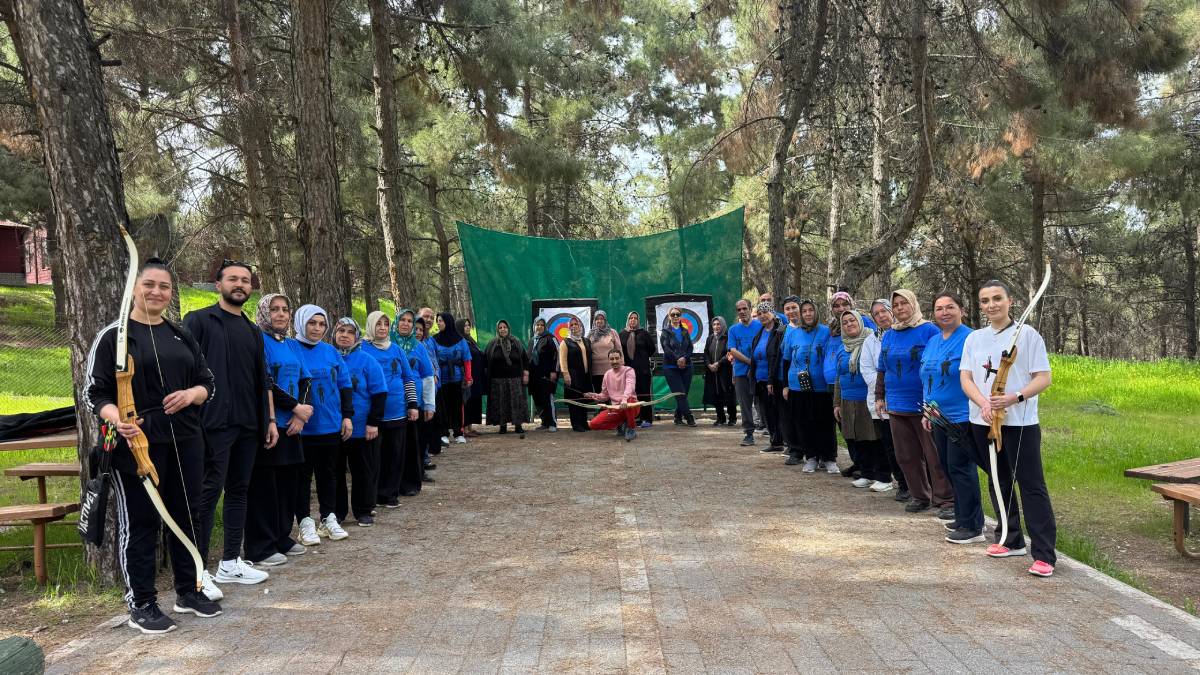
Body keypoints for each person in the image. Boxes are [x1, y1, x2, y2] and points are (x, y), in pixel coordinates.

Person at [86, 258, 221, 633]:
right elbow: (94, 393)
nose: (156, 292)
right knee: (142, 521)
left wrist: (192, 394)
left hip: (186, 439)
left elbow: (208, 383)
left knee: (187, 516)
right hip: (136, 444)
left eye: (164, 286)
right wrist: (117, 418)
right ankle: (141, 603)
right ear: (134, 288)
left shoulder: (180, 334)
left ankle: (188, 591)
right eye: (149, 284)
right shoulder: (114, 336)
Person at [182, 260, 270, 598]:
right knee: (207, 495)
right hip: (211, 424)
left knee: (239, 491)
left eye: (245, 280)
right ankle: (198, 570)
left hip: (248, 424)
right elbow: (185, 371)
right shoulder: (199, 321)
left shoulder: (252, 330)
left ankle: (231, 561)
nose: (240, 284)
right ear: (218, 284)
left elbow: (261, 380)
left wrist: (267, 421)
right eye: (233, 279)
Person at [960, 280, 1055, 576]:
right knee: (998, 481)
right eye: (985, 300)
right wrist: (984, 404)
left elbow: (1043, 378)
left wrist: (1015, 397)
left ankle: (1044, 554)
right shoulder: (974, 338)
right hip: (984, 420)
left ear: (1010, 301)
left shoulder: (1028, 335)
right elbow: (966, 378)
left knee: (1031, 485)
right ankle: (1010, 539)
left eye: (997, 298)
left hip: (1019, 423)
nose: (992, 305)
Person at [245, 293, 311, 569]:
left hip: (293, 425)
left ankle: (282, 536)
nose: (281, 314)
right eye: (274, 309)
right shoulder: (258, 341)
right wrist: (295, 407)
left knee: (287, 485)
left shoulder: (291, 344)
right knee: (265, 487)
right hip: (269, 423)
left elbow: (306, 379)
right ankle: (260, 546)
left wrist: (300, 415)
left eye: (285, 309)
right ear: (263, 312)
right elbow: (265, 382)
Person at [876, 289, 949, 513]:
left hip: (924, 404)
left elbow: (937, 365)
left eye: (904, 303)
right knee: (906, 455)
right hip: (897, 404)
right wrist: (879, 396)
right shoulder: (889, 334)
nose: (900, 308)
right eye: (896, 304)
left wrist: (934, 399)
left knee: (934, 455)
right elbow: (882, 367)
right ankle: (920, 496)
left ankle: (946, 500)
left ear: (913, 304)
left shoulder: (929, 331)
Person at [922, 292, 983, 541]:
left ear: (962, 310)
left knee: (961, 468)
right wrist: (927, 409)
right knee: (948, 466)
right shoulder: (933, 341)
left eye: (950, 307)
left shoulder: (971, 338)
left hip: (963, 415)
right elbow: (927, 375)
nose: (944, 312)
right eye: (939, 308)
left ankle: (973, 526)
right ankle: (962, 516)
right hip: (938, 415)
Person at [292, 305, 353, 544]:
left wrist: (347, 416)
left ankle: (328, 518)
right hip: (302, 427)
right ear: (301, 323)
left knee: (328, 474)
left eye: (321, 324)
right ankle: (304, 522)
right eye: (312, 323)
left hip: (330, 424)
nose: (317, 328)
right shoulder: (291, 348)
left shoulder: (330, 351)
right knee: (302, 477)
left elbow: (345, 384)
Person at [332, 318, 386, 527]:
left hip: (362, 427)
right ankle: (337, 512)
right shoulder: (329, 356)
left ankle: (363, 510)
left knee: (362, 471)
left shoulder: (367, 360)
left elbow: (380, 393)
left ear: (357, 336)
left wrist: (373, 422)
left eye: (350, 332)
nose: (345, 335)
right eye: (341, 331)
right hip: (333, 427)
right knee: (335, 472)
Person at [362, 311, 420, 507]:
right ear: (371, 325)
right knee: (374, 458)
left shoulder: (396, 349)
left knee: (395, 456)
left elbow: (408, 378)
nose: (382, 328)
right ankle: (373, 496)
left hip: (397, 411)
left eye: (386, 324)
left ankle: (390, 495)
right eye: (378, 324)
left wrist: (412, 405)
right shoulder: (362, 349)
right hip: (373, 415)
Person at [832, 311, 892, 491]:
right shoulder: (843, 347)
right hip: (848, 400)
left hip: (867, 398)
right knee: (857, 439)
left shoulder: (871, 341)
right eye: (845, 322)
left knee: (875, 439)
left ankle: (883, 475)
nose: (849, 324)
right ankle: (866, 473)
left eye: (852, 320)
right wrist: (837, 402)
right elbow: (838, 376)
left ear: (860, 322)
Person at [782, 298, 838, 474]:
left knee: (825, 423)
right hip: (797, 386)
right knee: (803, 423)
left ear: (816, 312)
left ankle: (829, 458)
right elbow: (786, 360)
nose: (807, 314)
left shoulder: (826, 332)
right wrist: (785, 385)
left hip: (822, 386)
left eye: (810, 310)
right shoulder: (792, 333)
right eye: (804, 311)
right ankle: (811, 457)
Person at [870, 298, 908, 500]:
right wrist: (879, 395)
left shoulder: (911, 332)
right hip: (888, 399)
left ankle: (923, 487)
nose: (881, 316)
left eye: (884, 311)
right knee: (892, 446)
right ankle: (903, 484)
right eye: (876, 314)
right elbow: (879, 369)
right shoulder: (879, 338)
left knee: (914, 447)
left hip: (911, 399)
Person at [393, 310, 437, 479]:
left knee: (415, 442)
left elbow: (428, 377)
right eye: (402, 320)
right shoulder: (387, 344)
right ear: (396, 322)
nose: (406, 324)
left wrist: (429, 405)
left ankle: (415, 476)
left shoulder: (418, 347)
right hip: (393, 404)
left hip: (415, 404)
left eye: (409, 321)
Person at [748, 302, 786, 453]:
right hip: (760, 379)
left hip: (774, 380)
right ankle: (775, 442)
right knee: (767, 413)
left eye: (765, 312)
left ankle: (785, 441)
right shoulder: (760, 333)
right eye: (759, 313)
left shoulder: (779, 332)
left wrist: (771, 380)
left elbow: (776, 357)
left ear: (773, 313)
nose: (762, 316)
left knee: (778, 412)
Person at [432, 313, 472, 443]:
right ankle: (443, 433)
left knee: (457, 405)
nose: (438, 323)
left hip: (457, 377)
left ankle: (458, 433)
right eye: (438, 321)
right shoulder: (434, 340)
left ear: (448, 322)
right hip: (440, 378)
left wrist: (468, 377)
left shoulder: (460, 340)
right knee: (442, 406)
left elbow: (467, 359)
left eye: (441, 321)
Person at [485, 319, 530, 436]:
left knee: (516, 402)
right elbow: (486, 361)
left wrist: (526, 374)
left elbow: (525, 359)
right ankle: (502, 426)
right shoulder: (492, 344)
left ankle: (518, 425)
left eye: (505, 327)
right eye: (500, 328)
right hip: (497, 381)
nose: (503, 329)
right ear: (497, 330)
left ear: (508, 328)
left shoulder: (517, 343)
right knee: (501, 403)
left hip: (515, 379)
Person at [727, 299, 761, 446]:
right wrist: (749, 362)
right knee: (745, 404)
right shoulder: (733, 330)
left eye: (744, 308)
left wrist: (756, 363)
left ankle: (774, 433)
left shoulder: (760, 326)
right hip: (741, 371)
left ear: (750, 309)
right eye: (739, 309)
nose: (742, 311)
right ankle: (748, 433)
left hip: (761, 371)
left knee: (764, 403)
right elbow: (732, 350)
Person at [585, 348, 639, 441]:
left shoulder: (629, 370)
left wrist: (624, 399)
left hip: (631, 405)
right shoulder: (607, 374)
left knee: (629, 401)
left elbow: (630, 386)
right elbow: (604, 395)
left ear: (621, 359)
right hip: (616, 408)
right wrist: (594, 395)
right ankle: (620, 423)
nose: (614, 361)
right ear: (608, 360)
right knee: (593, 424)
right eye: (612, 359)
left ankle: (631, 428)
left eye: (617, 358)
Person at [618, 311, 656, 429]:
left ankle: (647, 418)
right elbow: (619, 351)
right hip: (627, 370)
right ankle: (636, 418)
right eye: (631, 318)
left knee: (644, 393)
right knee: (631, 394)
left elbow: (652, 349)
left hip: (642, 370)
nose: (633, 320)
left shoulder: (644, 333)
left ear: (638, 320)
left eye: (635, 318)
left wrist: (642, 358)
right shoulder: (622, 334)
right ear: (628, 320)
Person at [660, 307, 696, 426]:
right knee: (680, 393)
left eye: (678, 314)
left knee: (683, 393)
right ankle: (689, 417)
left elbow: (690, 347)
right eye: (673, 314)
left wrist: (684, 358)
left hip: (687, 366)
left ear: (680, 316)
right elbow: (666, 348)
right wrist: (677, 359)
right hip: (671, 368)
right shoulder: (665, 332)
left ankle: (678, 416)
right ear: (669, 317)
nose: (675, 316)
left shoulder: (685, 331)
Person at [558, 316, 593, 432]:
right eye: (571, 325)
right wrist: (566, 374)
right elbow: (562, 360)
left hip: (585, 376)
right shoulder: (565, 342)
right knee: (575, 400)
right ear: (568, 328)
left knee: (584, 399)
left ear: (579, 326)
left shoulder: (586, 341)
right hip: (573, 376)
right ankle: (576, 424)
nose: (574, 327)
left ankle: (583, 422)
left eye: (575, 324)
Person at [703, 316, 737, 426]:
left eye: (718, 324)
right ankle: (720, 418)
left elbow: (729, 353)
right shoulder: (710, 338)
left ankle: (732, 418)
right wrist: (709, 365)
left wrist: (718, 363)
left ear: (723, 325)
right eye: (714, 324)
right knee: (716, 394)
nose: (716, 326)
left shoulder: (728, 337)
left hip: (725, 372)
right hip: (712, 372)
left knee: (728, 394)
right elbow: (706, 353)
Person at [528, 318, 560, 432]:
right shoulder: (532, 340)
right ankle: (545, 422)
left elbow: (558, 354)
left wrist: (554, 371)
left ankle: (552, 423)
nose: (539, 327)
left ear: (545, 327)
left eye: (542, 325)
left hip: (547, 376)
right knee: (538, 399)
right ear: (534, 326)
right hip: (534, 377)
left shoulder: (551, 338)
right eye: (537, 324)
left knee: (547, 398)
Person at [458, 317, 486, 436]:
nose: (468, 327)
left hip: (476, 376)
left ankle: (470, 427)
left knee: (474, 400)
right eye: (465, 325)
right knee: (467, 401)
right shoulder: (460, 341)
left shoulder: (471, 340)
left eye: (468, 325)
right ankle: (464, 428)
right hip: (466, 377)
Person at [588, 310, 621, 395]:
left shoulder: (612, 332)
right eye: (597, 319)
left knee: (613, 394)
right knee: (600, 395)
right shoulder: (590, 334)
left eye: (601, 318)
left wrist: (621, 366)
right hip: (595, 371)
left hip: (611, 369)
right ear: (594, 321)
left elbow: (619, 350)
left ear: (605, 320)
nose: (599, 321)